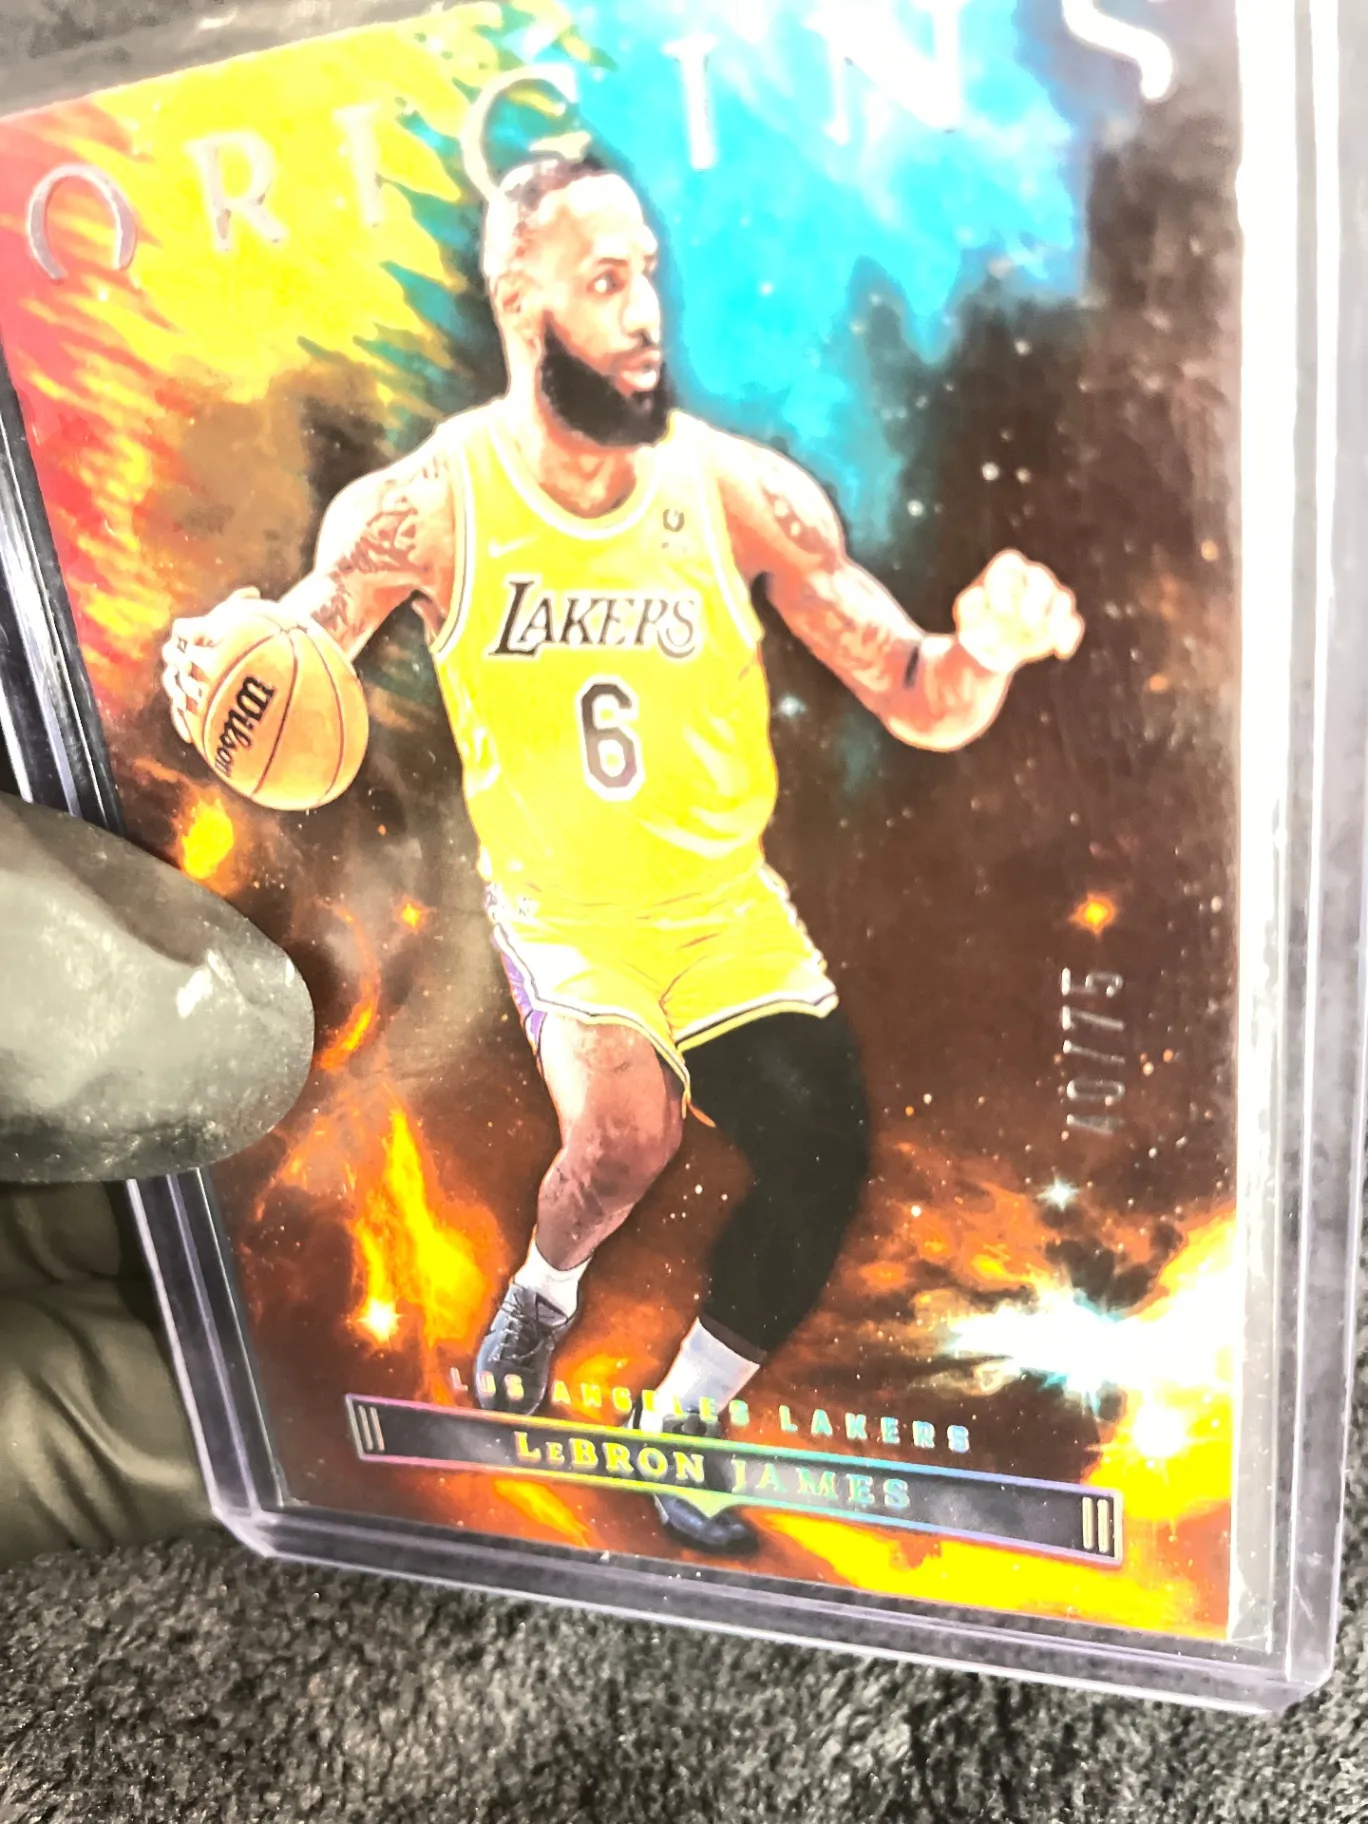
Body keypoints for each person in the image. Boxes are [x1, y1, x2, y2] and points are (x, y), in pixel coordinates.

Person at [161, 155, 1083, 1555]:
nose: (646, 310)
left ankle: (684, 1420)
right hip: (567, 915)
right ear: (519, 300)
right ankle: (544, 1287)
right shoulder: (429, 506)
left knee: (827, 1149)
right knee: (623, 1139)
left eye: (647, 273)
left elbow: (917, 691)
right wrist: (218, 669)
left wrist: (988, 651)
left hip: (721, 910)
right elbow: (295, 665)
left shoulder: (740, 493)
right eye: (605, 281)